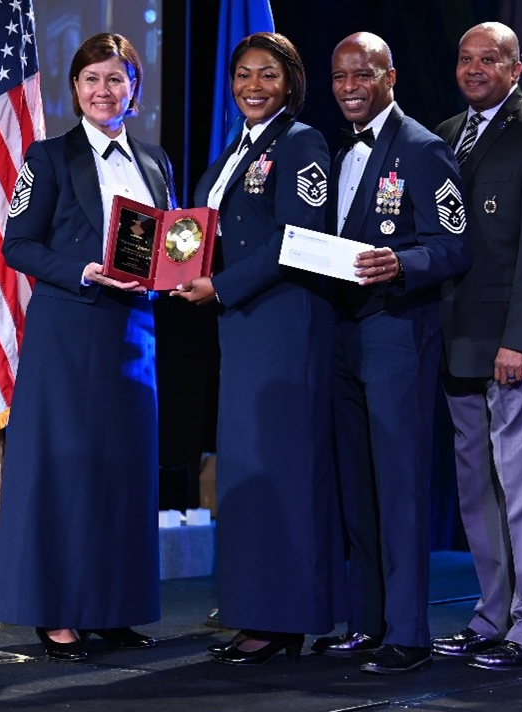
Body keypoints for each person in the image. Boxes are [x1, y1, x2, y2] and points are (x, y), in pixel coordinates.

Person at [0, 32, 171, 662]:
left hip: (134, 335)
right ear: (74, 89)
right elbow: (16, 244)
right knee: (65, 473)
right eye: (92, 79)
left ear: (134, 89)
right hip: (69, 333)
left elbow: (168, 243)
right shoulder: (46, 159)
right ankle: (59, 613)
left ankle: (114, 609)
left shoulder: (156, 162)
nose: (103, 91)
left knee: (123, 476)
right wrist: (83, 269)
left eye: (115, 79)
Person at [170, 31, 342, 666]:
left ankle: (284, 618)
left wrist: (222, 283)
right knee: (250, 470)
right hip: (241, 326)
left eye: (267, 75)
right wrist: (161, 267)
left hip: (285, 323)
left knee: (284, 470)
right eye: (242, 74)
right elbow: (195, 231)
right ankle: (254, 610)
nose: (251, 86)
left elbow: (302, 233)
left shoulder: (301, 142)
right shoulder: (233, 152)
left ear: (291, 83)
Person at [310, 31, 471, 675]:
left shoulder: (425, 151)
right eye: (340, 76)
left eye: (363, 74)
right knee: (357, 483)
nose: (350, 86)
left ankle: (409, 631)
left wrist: (400, 261)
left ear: (390, 76)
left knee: (400, 483)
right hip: (342, 333)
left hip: (397, 332)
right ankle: (368, 620)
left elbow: (455, 246)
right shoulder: (333, 150)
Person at [430, 21, 522, 671]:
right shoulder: (441, 136)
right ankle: (491, 615)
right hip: (457, 342)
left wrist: (519, 340)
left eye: (488, 58)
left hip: (518, 347)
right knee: (478, 494)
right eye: (465, 58)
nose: (474, 68)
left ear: (516, 68)